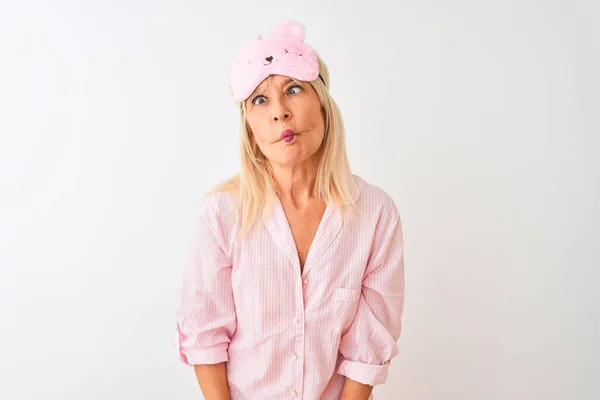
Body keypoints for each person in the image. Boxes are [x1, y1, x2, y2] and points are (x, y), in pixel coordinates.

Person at [174, 20, 405, 400]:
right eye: (260, 100)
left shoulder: (375, 213)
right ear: (249, 126)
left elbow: (370, 344)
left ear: (322, 103)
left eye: (293, 89)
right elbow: (204, 337)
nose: (279, 112)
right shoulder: (221, 214)